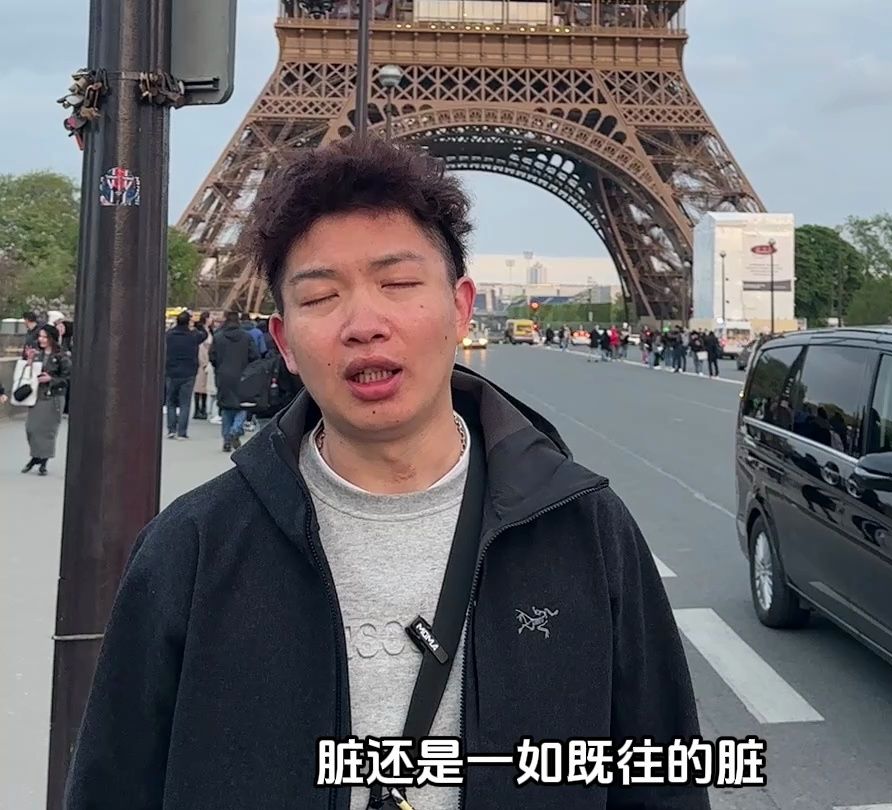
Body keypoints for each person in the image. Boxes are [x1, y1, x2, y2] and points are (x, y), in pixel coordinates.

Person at [65, 137, 706, 810]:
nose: (364, 323)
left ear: (461, 307)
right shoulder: (189, 549)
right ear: (284, 342)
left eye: (398, 284)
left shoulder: (588, 532)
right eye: (320, 296)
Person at [22, 324, 71, 476]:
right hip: (37, 395)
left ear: (51, 338)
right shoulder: (37, 354)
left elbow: (68, 378)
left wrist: (51, 379)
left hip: (53, 396)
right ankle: (36, 455)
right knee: (31, 428)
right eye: (40, 336)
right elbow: (28, 374)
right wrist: (29, 361)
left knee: (48, 430)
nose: (41, 339)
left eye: (44, 337)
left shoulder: (62, 356)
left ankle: (43, 460)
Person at [209, 310, 259, 451]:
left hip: (223, 375)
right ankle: (235, 430)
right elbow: (254, 356)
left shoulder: (218, 337)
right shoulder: (246, 337)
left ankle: (226, 438)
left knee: (226, 408)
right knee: (242, 406)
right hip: (242, 375)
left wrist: (219, 367)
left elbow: (212, 357)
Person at [164, 310, 207, 439]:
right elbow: (204, 334)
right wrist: (199, 324)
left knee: (171, 402)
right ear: (188, 322)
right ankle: (182, 432)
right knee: (185, 403)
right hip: (188, 372)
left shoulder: (169, 335)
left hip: (171, 371)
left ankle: (171, 429)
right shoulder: (193, 336)